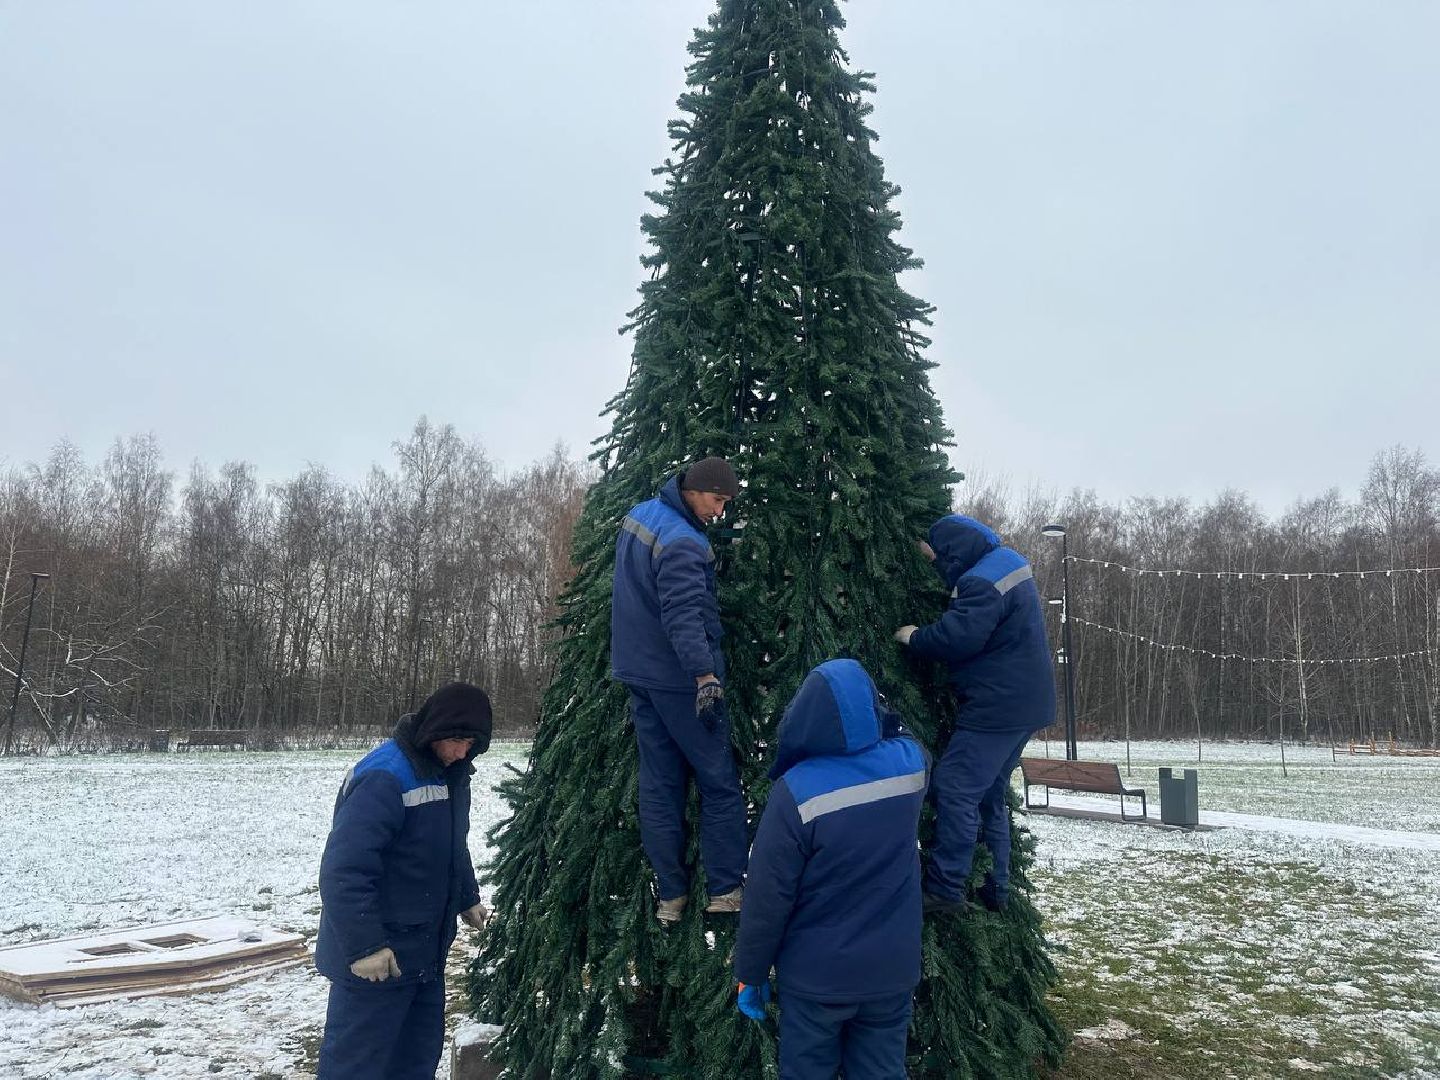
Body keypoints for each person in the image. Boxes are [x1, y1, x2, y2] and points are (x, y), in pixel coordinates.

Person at [733, 659, 928, 1080]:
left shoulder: (796, 792)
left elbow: (768, 897)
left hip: (815, 981)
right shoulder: (910, 767)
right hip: (890, 974)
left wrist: (750, 972)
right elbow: (903, 731)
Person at [314, 682, 494, 1080]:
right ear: (436, 732)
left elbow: (449, 845)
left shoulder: (451, 772)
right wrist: (366, 947)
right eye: (459, 741)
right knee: (357, 1065)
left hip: (424, 953)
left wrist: (467, 896)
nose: (464, 752)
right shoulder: (385, 777)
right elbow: (345, 869)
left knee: (414, 1061)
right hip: (378, 959)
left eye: (473, 744)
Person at [610, 455, 749, 923]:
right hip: (679, 682)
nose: (719, 512)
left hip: (638, 674)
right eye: (717, 500)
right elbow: (683, 615)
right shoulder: (684, 542)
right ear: (693, 490)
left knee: (659, 785)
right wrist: (704, 677)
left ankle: (671, 896)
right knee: (720, 784)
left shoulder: (641, 515)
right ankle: (726, 889)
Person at [894, 514, 1055, 913]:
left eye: (937, 558)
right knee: (989, 796)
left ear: (951, 552)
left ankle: (945, 888)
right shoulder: (1007, 561)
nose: (935, 566)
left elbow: (959, 638)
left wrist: (914, 636)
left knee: (955, 788)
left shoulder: (980, 581)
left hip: (996, 707)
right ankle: (996, 889)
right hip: (1026, 705)